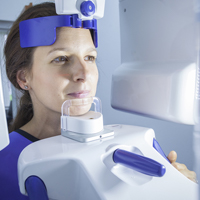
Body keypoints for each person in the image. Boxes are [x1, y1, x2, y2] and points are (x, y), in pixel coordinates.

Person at [0, 2, 196, 200]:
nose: (84, 74)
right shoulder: (5, 163)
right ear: (24, 78)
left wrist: (180, 187)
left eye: (90, 57)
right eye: (61, 59)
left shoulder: (129, 145)